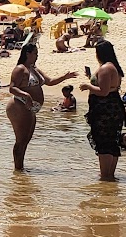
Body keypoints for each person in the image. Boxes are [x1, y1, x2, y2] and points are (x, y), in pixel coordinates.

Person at [5, 41, 75, 172]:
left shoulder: (34, 69)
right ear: (28, 53)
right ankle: (18, 170)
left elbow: (49, 82)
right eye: (35, 53)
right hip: (20, 105)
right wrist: (26, 95)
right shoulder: (20, 69)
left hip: (31, 108)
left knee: (27, 139)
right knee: (21, 139)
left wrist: (65, 77)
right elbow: (12, 88)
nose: (37, 56)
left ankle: (20, 168)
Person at [80, 40, 125, 181]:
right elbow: (106, 86)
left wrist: (87, 86)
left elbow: (103, 91)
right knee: (111, 140)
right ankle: (109, 175)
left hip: (105, 109)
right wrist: (90, 77)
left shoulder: (106, 68)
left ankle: (105, 176)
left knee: (103, 141)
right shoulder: (113, 67)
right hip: (112, 107)